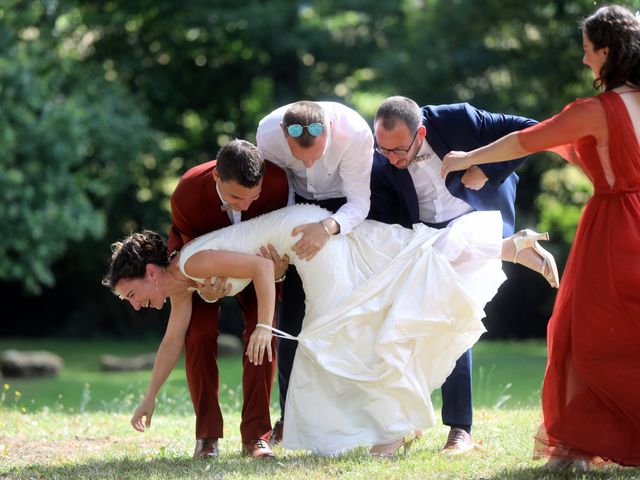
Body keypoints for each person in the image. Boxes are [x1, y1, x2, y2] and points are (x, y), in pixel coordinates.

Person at [103, 203, 557, 457]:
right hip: (297, 243)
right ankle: (507, 248)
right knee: (387, 276)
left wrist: (264, 324)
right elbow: (170, 342)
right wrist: (149, 397)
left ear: (149, 272)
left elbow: (262, 265)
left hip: (305, 236)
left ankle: (391, 430)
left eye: (131, 294)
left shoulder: (194, 262)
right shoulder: (184, 283)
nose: (136, 305)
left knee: (340, 332)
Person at [441, 4, 640, 469]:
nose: (584, 60)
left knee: (582, 335)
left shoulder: (596, 111)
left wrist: (466, 155)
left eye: (588, 51)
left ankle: (573, 447)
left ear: (607, 53)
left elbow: (526, 140)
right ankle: (578, 446)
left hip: (613, 227)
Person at [369, 95, 547, 455]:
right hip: (428, 237)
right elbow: (388, 219)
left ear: (420, 131)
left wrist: (484, 166)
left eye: (399, 150)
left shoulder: (457, 121)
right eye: (383, 149)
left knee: (454, 319)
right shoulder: (381, 160)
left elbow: (533, 131)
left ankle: (459, 430)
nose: (391, 158)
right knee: (406, 323)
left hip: (474, 221)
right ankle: (405, 421)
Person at [149, 139, 288, 459]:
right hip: (199, 267)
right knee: (197, 335)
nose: (246, 205)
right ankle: (207, 436)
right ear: (216, 178)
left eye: (253, 197)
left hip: (259, 264)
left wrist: (280, 270)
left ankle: (256, 436)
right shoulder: (186, 193)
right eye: (236, 197)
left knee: (262, 332)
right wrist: (205, 289)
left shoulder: (279, 182)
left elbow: (283, 237)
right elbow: (189, 254)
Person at [256, 100, 374, 442]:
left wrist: (328, 226)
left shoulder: (355, 133)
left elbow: (360, 202)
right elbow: (279, 188)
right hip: (292, 211)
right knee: (291, 319)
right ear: (282, 135)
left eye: (316, 156)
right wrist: (288, 238)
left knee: (348, 315)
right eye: (300, 157)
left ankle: (353, 416)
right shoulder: (267, 132)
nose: (307, 163)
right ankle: (288, 417)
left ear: (331, 132)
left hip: (343, 211)